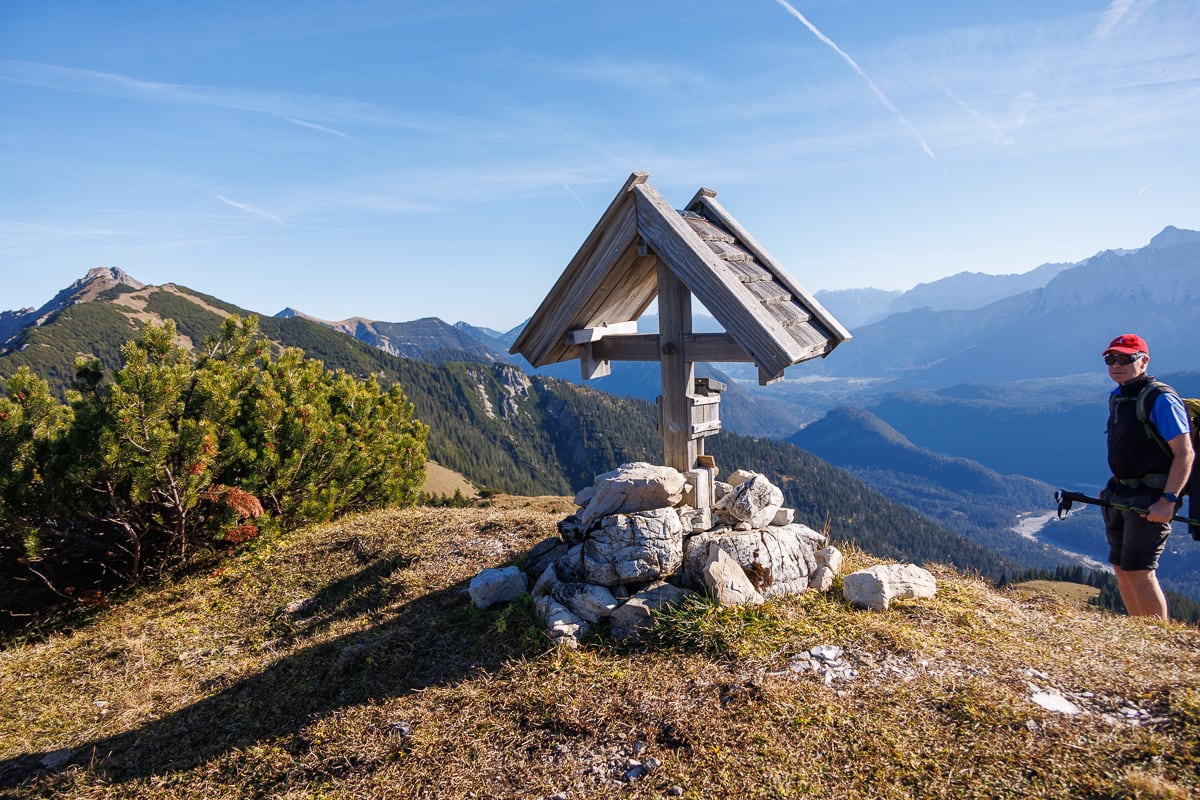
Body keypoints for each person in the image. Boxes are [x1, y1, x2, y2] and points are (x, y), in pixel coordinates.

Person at [1101, 333, 1194, 619]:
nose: (1116, 364)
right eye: (1110, 359)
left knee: (1140, 570)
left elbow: (1185, 453)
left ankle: (1157, 639)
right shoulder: (1119, 396)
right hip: (1121, 493)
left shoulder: (1160, 399)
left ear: (1144, 361)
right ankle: (1137, 631)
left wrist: (1168, 500)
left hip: (1151, 498)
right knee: (1120, 566)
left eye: (1125, 358)